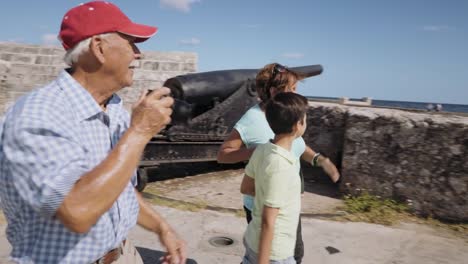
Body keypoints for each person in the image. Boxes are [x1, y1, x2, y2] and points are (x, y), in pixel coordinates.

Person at [0, 2, 186, 264]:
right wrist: (140, 131)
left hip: (122, 254)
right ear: (99, 48)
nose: (138, 54)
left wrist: (161, 227)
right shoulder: (38, 114)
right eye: (131, 42)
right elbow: (77, 211)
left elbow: (117, 187)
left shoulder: (115, 110)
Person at [217, 63, 340, 264]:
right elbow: (223, 155)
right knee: (279, 253)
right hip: (263, 204)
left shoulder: (287, 117)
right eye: (291, 89)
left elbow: (299, 146)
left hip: (284, 200)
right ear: (274, 91)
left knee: (285, 252)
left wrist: (321, 160)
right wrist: (259, 152)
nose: (295, 94)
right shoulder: (252, 119)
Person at [240, 92, 309, 264]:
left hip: (253, 241)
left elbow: (246, 188)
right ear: (298, 125)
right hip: (274, 253)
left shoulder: (262, 150)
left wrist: (275, 194)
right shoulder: (281, 166)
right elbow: (268, 222)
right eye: (305, 119)